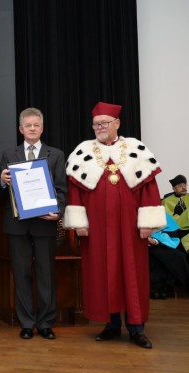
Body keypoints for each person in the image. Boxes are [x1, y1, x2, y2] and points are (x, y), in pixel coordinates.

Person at [64, 101, 166, 349]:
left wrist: (147, 223)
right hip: (96, 229)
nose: (100, 127)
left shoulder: (136, 150)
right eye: (96, 124)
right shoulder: (82, 152)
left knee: (132, 274)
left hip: (131, 229)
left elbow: (149, 190)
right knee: (102, 273)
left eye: (105, 123)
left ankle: (136, 328)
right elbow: (75, 192)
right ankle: (110, 325)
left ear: (117, 123)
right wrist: (79, 222)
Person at [0, 107, 67, 340]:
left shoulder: (55, 154)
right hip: (17, 225)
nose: (32, 129)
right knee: (21, 273)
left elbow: (62, 190)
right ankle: (26, 323)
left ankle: (46, 323)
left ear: (42, 128)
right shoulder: (9, 154)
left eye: (36, 125)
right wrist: (2, 181)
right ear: (20, 129)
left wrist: (57, 211)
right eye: (28, 125)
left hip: (44, 223)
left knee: (46, 274)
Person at [148, 213, 189, 299]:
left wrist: (155, 240)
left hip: (162, 243)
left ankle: (162, 288)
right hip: (142, 245)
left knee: (178, 256)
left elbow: (173, 234)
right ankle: (159, 289)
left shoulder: (162, 214)